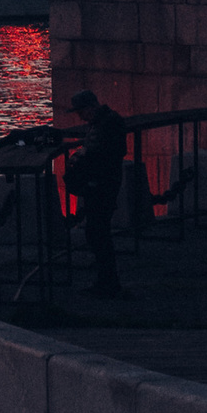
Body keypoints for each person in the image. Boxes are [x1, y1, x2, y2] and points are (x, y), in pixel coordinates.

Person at [65, 87, 130, 296]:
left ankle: (108, 282)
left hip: (101, 185)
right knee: (98, 232)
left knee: (97, 232)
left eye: (81, 112)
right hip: (104, 183)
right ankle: (107, 280)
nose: (80, 117)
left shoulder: (105, 124)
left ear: (90, 108)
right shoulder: (109, 121)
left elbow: (95, 154)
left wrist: (79, 159)